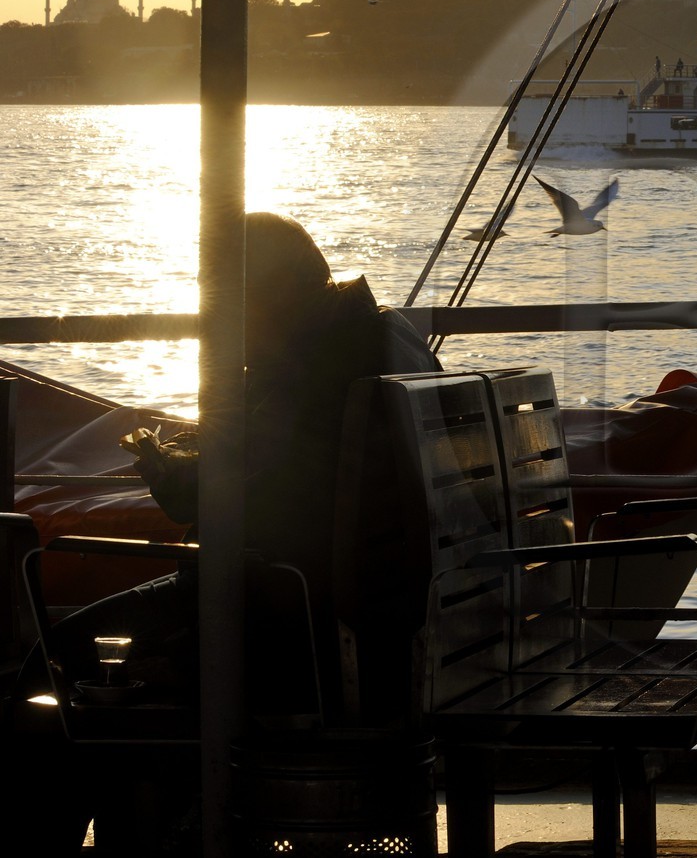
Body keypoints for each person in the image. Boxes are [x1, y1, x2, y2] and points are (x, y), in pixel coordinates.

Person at [9, 212, 441, 853]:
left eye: (225, 297)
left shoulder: (303, 370)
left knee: (50, 664)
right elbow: (281, 478)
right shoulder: (370, 336)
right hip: (366, 621)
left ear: (263, 293)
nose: (221, 317)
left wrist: (174, 475)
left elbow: (228, 504)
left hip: (288, 624)